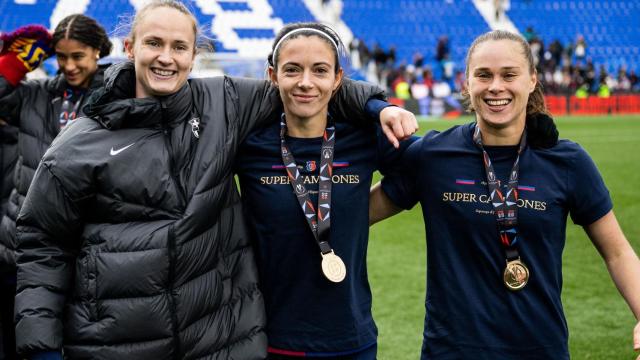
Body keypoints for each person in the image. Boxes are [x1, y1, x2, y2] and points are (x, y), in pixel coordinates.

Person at [13, 1, 417, 359]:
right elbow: (42, 245)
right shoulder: (80, 141)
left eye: (179, 47)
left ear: (194, 55)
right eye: (154, 43)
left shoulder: (222, 102)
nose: (165, 58)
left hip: (211, 340)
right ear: (130, 48)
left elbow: (307, 87)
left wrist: (378, 106)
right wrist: (42, 346)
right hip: (114, 341)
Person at [369, 30, 640, 359]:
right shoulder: (432, 155)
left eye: (509, 74)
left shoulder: (568, 161)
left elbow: (618, 253)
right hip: (451, 352)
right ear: (466, 83)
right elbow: (356, 213)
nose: (496, 86)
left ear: (531, 80)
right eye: (483, 75)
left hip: (540, 350)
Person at [235, 23, 416, 359]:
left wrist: (359, 215)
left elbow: (424, 169)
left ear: (337, 79)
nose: (306, 82)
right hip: (268, 339)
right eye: (292, 70)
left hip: (351, 338)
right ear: (272, 76)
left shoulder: (362, 135)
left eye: (320, 70)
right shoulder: (248, 143)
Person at [0, 15, 112, 359]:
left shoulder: (115, 94)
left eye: (78, 56)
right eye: (61, 57)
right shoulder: (35, 94)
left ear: (97, 51)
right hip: (20, 241)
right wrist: (14, 64)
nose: (69, 66)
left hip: (85, 244)